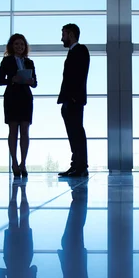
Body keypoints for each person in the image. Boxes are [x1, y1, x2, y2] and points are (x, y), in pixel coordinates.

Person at [0, 33, 38, 178]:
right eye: (16, 44)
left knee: (25, 131)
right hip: (12, 97)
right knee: (13, 130)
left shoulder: (29, 62)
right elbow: (0, 80)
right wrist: (13, 79)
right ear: (11, 46)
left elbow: (35, 83)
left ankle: (23, 163)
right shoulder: (6, 61)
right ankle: (14, 162)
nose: (19, 47)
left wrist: (31, 81)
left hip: (26, 98)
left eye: (22, 44)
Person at [0, 181, 37, 278]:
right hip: (11, 256)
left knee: (25, 220)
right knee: (13, 221)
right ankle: (15, 194)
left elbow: (33, 269)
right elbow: (0, 272)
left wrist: (23, 275)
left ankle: (22, 192)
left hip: (25, 255)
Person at [57, 23, 90, 178]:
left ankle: (81, 166)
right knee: (73, 133)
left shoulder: (80, 50)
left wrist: (73, 97)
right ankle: (76, 164)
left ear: (70, 34)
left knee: (76, 132)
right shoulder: (72, 52)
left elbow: (79, 75)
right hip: (69, 99)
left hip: (74, 99)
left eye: (63, 34)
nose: (62, 37)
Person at [58, 180, 90, 278]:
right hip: (73, 255)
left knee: (76, 224)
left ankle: (80, 196)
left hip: (75, 255)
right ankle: (80, 195)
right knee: (75, 224)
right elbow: (73, 274)